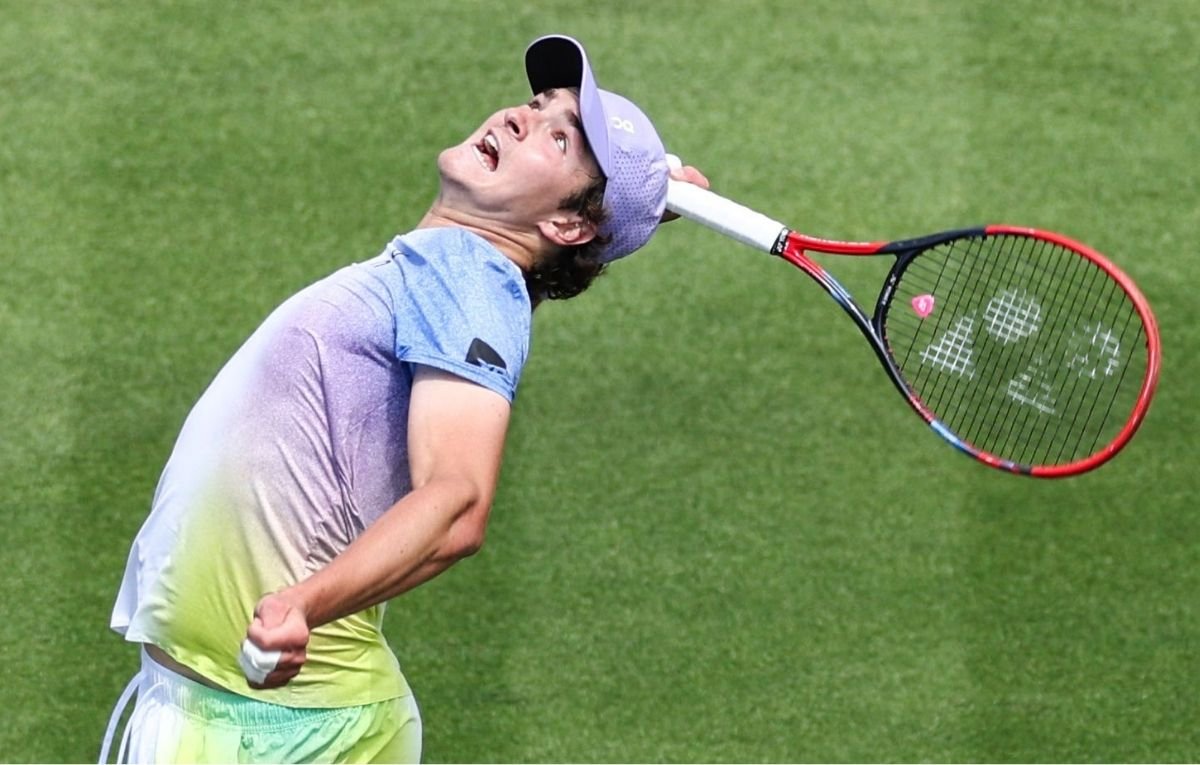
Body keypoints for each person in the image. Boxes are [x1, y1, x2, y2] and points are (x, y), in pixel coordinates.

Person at [100, 33, 708, 764]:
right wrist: (628, 214)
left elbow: (459, 501)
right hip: (250, 715)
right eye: (538, 103)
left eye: (559, 136)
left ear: (567, 224)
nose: (520, 117)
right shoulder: (469, 280)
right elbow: (506, 300)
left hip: (278, 732)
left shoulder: (469, 273)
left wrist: (303, 604)